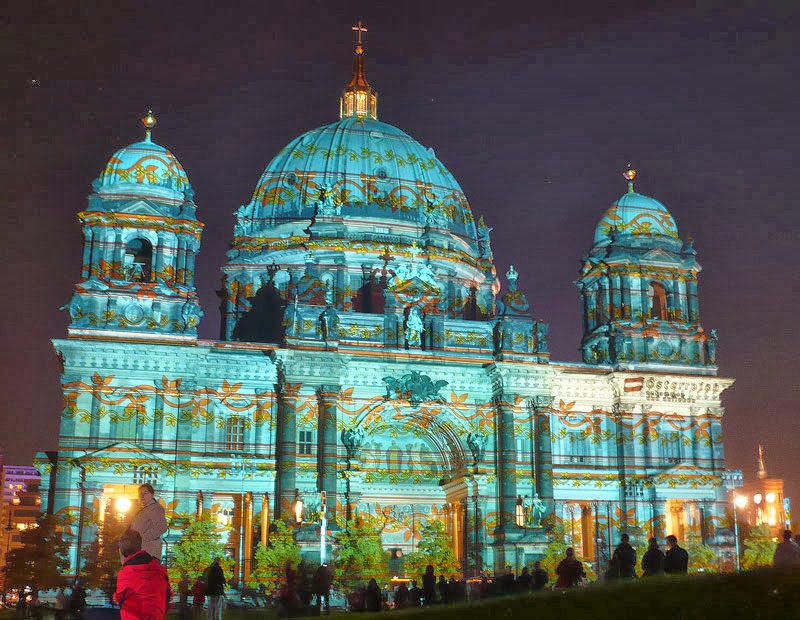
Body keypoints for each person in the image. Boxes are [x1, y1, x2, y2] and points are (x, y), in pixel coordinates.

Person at [113, 529, 171, 620]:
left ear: (122, 551)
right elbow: (168, 595)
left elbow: (119, 598)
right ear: (139, 545)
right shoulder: (159, 569)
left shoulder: (126, 573)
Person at [129, 483, 168, 561]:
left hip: (149, 549)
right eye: (140, 494)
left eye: (145, 493)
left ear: (152, 494)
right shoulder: (145, 508)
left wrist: (144, 537)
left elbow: (161, 527)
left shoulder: (155, 508)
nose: (142, 496)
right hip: (141, 548)